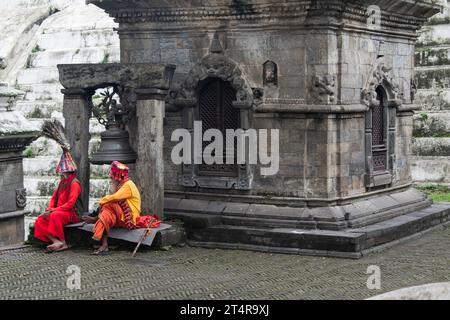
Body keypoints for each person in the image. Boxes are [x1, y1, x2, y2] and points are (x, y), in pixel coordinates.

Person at [83, 161, 159, 255]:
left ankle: (97, 223)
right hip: (120, 215)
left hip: (129, 219)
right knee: (106, 213)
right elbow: (113, 196)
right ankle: (104, 244)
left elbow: (113, 197)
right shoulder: (121, 184)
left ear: (117, 175)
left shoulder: (128, 185)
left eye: (113, 175)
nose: (111, 177)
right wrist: (113, 184)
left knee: (107, 205)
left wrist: (101, 201)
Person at [34, 150, 81, 252]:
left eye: (63, 171)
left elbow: (70, 204)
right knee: (40, 219)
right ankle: (56, 241)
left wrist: (53, 211)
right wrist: (49, 209)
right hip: (58, 210)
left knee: (55, 215)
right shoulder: (62, 182)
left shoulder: (74, 184)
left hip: (71, 213)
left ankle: (63, 243)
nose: (62, 173)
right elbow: (54, 198)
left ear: (68, 171)